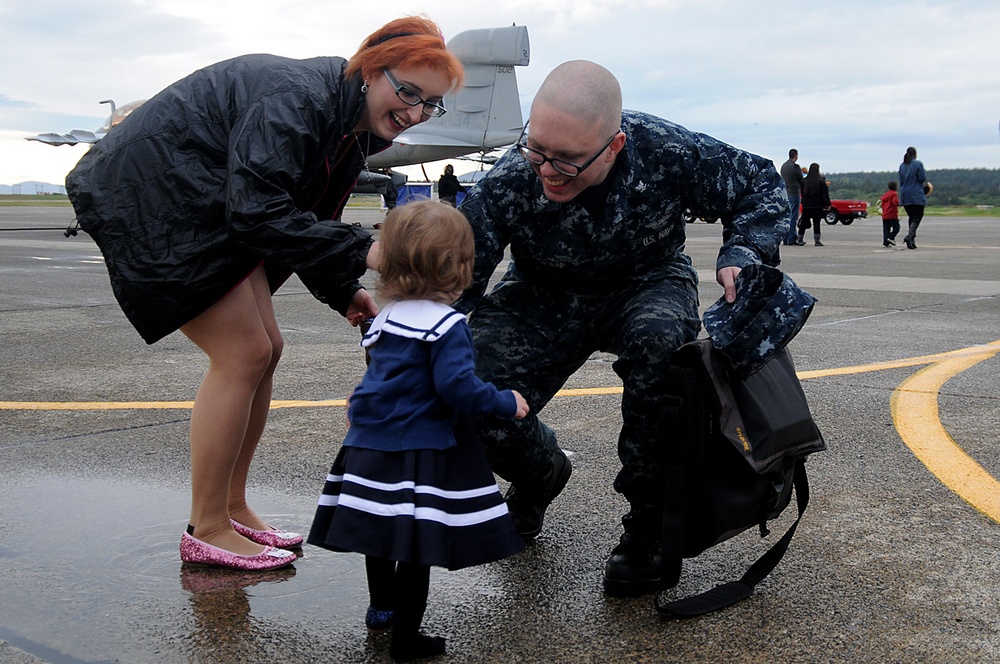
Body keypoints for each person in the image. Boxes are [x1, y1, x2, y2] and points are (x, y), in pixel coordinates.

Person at [64, 16, 464, 570]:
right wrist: (366, 251)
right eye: (409, 92)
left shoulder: (349, 127)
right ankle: (206, 527)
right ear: (372, 71)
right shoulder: (300, 99)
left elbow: (309, 214)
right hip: (155, 191)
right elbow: (256, 210)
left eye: (431, 104)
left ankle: (231, 507)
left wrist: (343, 289)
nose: (416, 112)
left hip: (209, 199)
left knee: (266, 348)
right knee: (243, 352)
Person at [453, 60, 788, 597]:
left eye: (567, 160)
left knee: (663, 353)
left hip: (647, 282)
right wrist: (412, 334)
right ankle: (540, 472)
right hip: (542, 294)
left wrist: (745, 252)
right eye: (537, 150)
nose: (547, 171)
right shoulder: (514, 174)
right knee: (460, 388)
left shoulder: (665, 150)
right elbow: (457, 271)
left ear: (613, 146)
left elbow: (758, 183)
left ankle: (649, 529)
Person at [307, 200, 529, 662]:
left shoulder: (385, 320)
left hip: (369, 442)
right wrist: (505, 402)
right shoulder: (446, 326)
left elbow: (378, 374)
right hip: (419, 448)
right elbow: (456, 387)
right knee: (414, 545)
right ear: (459, 268)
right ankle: (407, 639)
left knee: (378, 530)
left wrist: (358, 405)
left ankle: (381, 608)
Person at [898, 146, 928, 249]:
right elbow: (922, 178)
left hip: (905, 194)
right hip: (916, 194)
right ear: (915, 154)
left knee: (911, 216)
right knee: (918, 216)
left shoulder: (902, 166)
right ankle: (910, 236)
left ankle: (912, 239)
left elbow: (901, 181)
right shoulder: (918, 164)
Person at [797, 162, 830, 246]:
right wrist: (827, 203)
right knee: (816, 222)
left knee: (804, 222)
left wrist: (803, 202)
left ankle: (800, 238)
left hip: (807, 204)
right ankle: (817, 240)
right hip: (817, 204)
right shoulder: (821, 181)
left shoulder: (805, 180)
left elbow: (802, 192)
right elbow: (824, 193)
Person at [779, 148, 805, 246]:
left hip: (785, 193)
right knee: (793, 216)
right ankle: (792, 238)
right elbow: (801, 180)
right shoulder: (795, 167)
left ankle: (786, 238)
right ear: (796, 156)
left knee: (787, 216)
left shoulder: (784, 166)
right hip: (794, 192)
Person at [880, 181, 901, 247]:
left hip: (885, 214)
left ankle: (886, 242)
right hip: (892, 214)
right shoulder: (894, 194)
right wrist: (900, 203)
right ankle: (890, 238)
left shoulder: (885, 195)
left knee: (886, 229)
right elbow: (895, 202)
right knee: (896, 228)